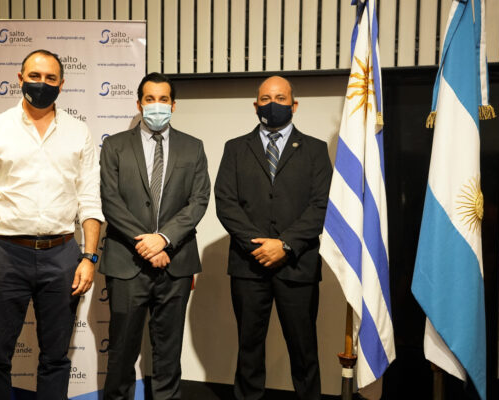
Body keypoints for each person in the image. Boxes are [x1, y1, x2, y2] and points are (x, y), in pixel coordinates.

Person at [0, 49, 103, 400]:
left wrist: (89, 257)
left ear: (62, 84)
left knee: (56, 358)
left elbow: (90, 200)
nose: (42, 83)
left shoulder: (79, 132)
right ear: (20, 78)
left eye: (51, 78)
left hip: (62, 255)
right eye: (35, 76)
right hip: (5, 255)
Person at [214, 76, 332, 400]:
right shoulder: (235, 148)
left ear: (294, 105)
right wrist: (260, 245)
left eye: (280, 98)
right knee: (249, 349)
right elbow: (225, 202)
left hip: (298, 266)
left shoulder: (316, 150)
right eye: (265, 99)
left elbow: (321, 205)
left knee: (304, 349)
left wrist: (284, 245)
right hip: (248, 265)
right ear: (255, 106)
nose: (272, 104)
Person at [99, 72, 211, 400]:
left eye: (163, 99)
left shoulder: (193, 147)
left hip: (175, 263)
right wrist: (147, 243)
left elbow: (199, 200)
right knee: (121, 352)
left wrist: (163, 239)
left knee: (168, 353)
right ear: (139, 104)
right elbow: (110, 201)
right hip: (126, 263)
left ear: (173, 105)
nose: (156, 105)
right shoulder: (115, 145)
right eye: (150, 99)